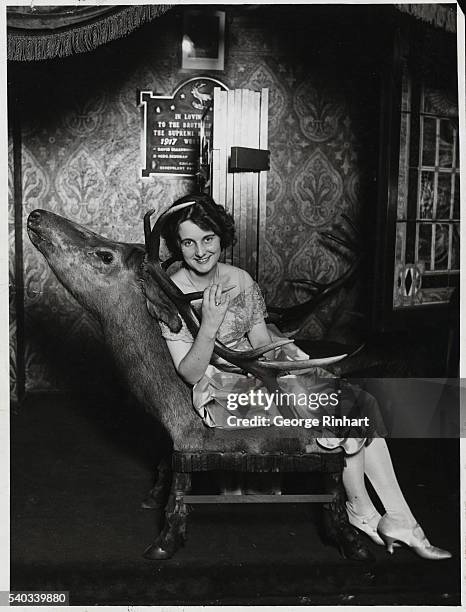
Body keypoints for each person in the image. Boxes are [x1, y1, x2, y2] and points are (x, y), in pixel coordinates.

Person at [157, 193, 451, 561]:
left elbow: (261, 344)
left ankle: (398, 518)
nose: (201, 251)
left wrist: (294, 367)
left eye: (208, 238)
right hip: (219, 393)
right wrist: (210, 324)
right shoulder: (172, 291)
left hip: (257, 376)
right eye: (188, 241)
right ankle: (362, 511)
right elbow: (188, 372)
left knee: (360, 404)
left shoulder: (241, 280)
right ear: (177, 244)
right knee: (344, 413)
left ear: (221, 237)